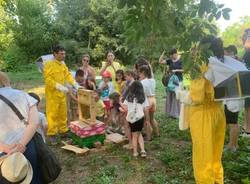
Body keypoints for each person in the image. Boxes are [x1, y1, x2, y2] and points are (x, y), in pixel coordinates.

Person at [183, 36, 226, 184]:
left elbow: (197, 96)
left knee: (203, 157)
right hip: (219, 113)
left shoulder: (201, 66)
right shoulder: (223, 64)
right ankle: (218, 181)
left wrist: (185, 95)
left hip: (202, 114)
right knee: (215, 154)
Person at [0, 72, 42, 183]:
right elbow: (34, 122)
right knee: (33, 177)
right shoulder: (22, 94)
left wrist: (4, 148)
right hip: (27, 146)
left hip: (2, 153)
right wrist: (22, 144)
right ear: (6, 81)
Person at [44, 45, 77, 144]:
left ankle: (63, 131)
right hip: (52, 95)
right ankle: (52, 134)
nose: (64, 55)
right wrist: (59, 86)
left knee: (63, 113)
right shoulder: (49, 64)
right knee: (52, 115)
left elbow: (68, 75)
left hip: (61, 94)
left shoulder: (63, 64)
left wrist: (75, 84)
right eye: (61, 54)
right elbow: (48, 79)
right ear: (55, 54)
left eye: (64, 53)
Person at [121, 81, 149, 157]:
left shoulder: (129, 97)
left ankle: (135, 152)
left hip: (132, 119)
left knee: (134, 135)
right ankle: (143, 151)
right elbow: (146, 109)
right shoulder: (143, 97)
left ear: (132, 88)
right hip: (140, 118)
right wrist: (147, 120)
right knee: (139, 134)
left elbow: (125, 108)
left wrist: (120, 103)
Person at [159, 48, 183, 118]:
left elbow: (184, 70)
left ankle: (176, 113)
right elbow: (160, 61)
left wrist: (176, 70)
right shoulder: (170, 61)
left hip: (178, 80)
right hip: (170, 81)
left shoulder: (181, 60)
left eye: (172, 55)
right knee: (170, 96)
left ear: (175, 53)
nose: (171, 57)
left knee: (176, 97)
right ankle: (170, 113)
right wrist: (163, 53)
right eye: (170, 56)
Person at [138, 65, 160, 140]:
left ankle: (149, 137)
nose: (139, 75)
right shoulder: (153, 80)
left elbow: (142, 93)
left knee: (146, 121)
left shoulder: (142, 82)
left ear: (143, 72)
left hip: (147, 101)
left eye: (140, 73)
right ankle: (157, 134)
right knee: (152, 119)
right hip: (153, 99)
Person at [242, 28, 250, 137]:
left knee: (249, 106)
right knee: (246, 105)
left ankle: (248, 130)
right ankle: (245, 127)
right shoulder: (247, 52)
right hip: (246, 80)